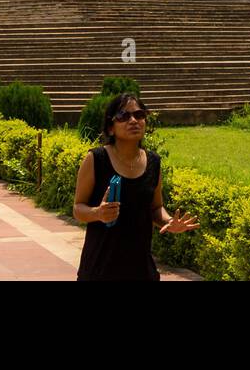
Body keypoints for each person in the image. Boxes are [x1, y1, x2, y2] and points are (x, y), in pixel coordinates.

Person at [73, 93, 199, 281]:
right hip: (100, 268)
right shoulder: (96, 159)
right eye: (124, 116)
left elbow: (155, 208)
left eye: (139, 115)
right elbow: (78, 208)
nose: (133, 121)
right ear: (111, 128)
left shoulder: (153, 162)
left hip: (141, 268)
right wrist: (98, 213)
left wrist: (169, 222)